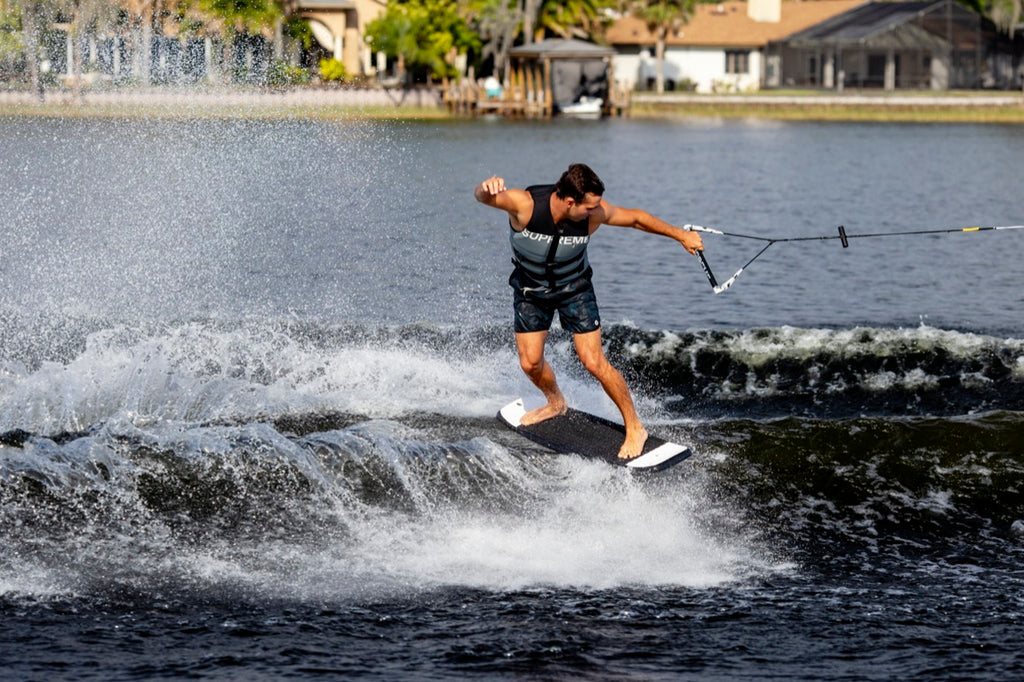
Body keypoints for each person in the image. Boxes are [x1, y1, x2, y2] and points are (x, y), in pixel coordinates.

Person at [474, 163, 704, 459]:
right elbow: (481, 196)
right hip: (531, 291)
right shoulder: (525, 205)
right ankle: (555, 402)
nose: (596, 212)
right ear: (570, 202)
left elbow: (636, 219)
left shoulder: (591, 215)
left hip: (575, 289)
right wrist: (487, 185)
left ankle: (635, 427)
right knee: (530, 363)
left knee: (593, 361)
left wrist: (680, 235)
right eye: (589, 206)